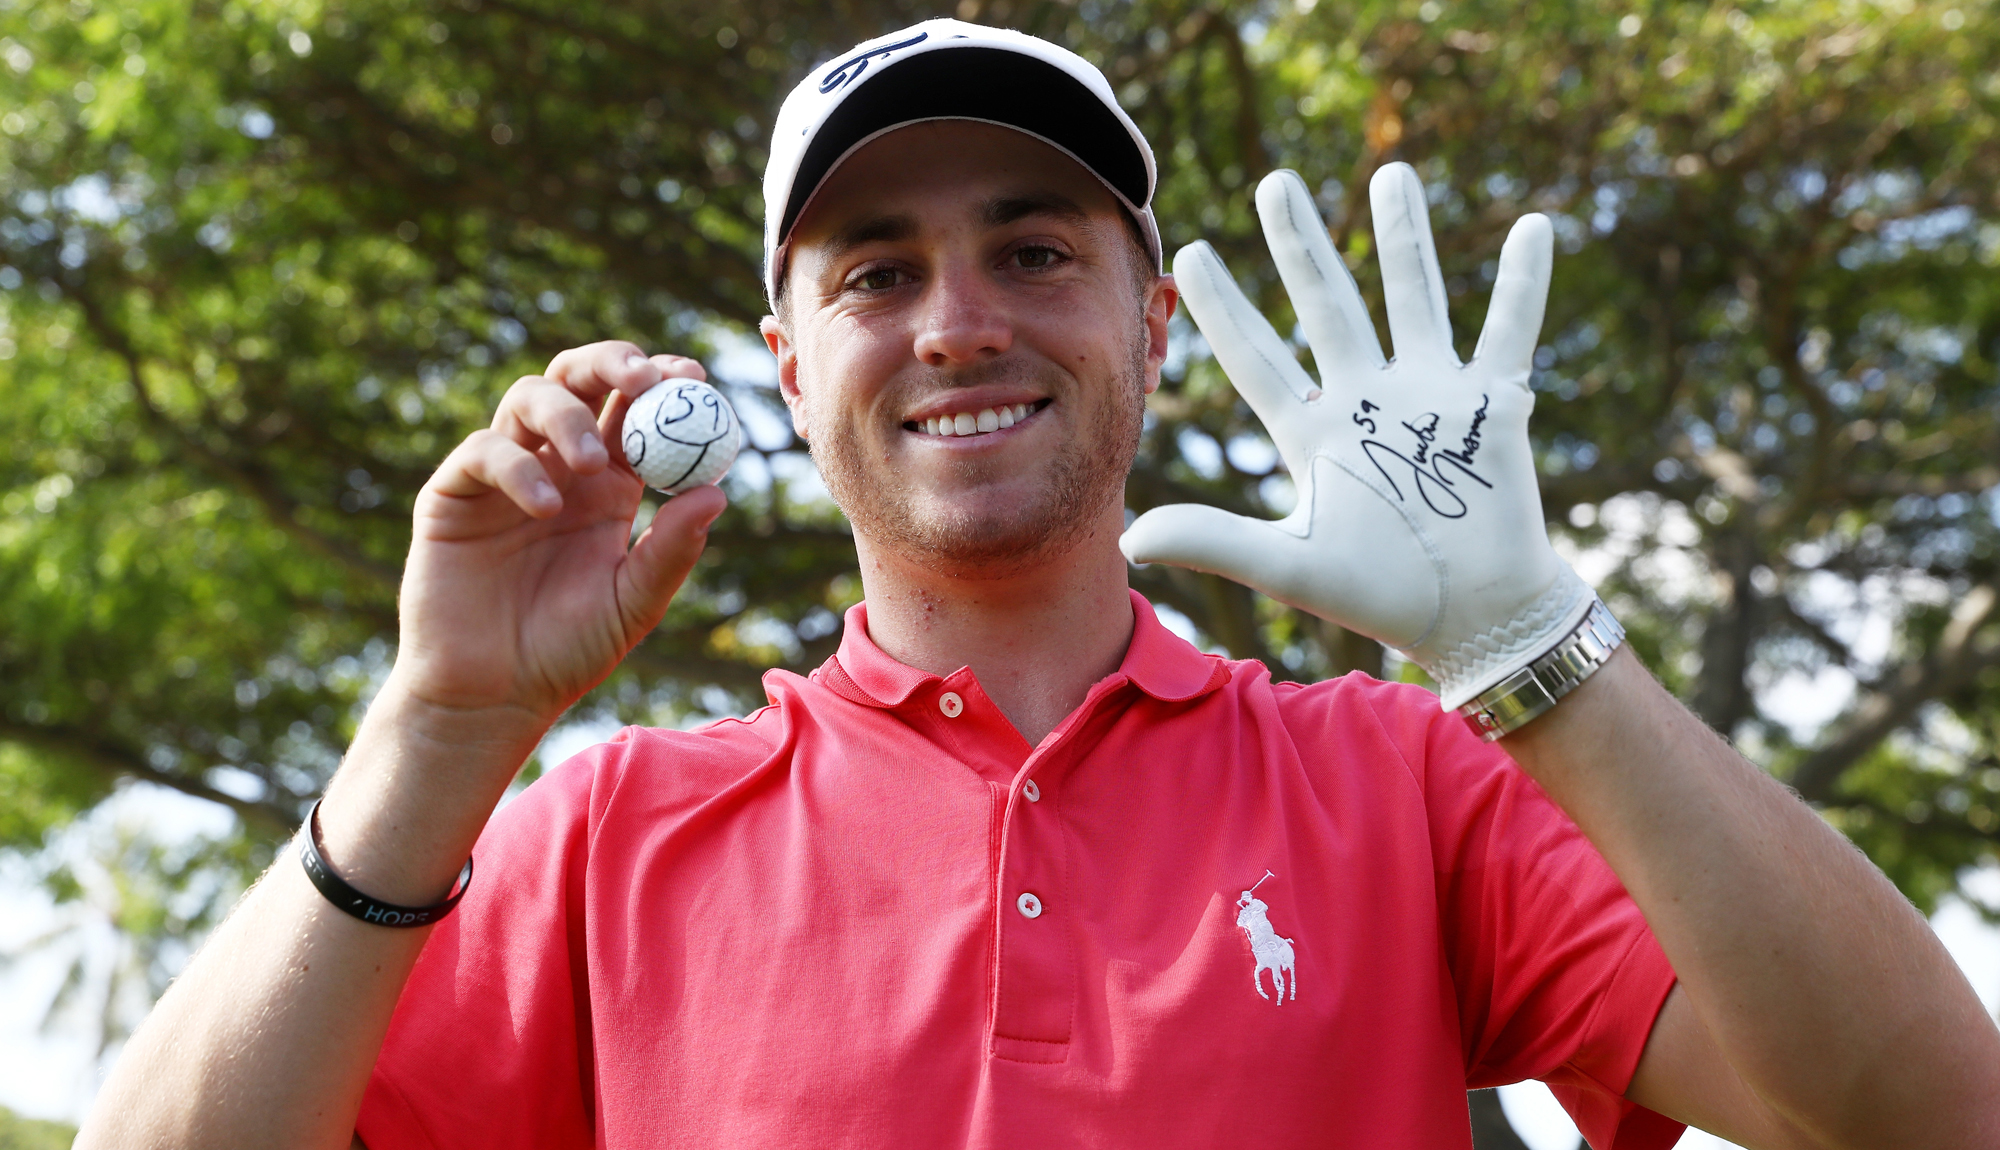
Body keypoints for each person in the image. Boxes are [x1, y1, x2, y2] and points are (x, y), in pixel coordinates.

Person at [78, 19, 2000, 1150]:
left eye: (1033, 249)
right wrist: (437, 725)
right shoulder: (608, 826)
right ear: (782, 353)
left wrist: (1537, 652)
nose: (960, 323)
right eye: (877, 272)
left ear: (1153, 322)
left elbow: (1926, 1111)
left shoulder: (1409, 778)